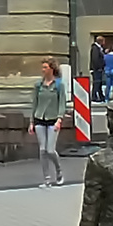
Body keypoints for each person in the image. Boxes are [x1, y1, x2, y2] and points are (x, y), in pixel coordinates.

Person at [30, 60, 68, 188]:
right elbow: (34, 104)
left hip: (53, 119)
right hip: (40, 119)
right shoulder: (38, 85)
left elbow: (62, 103)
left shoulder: (59, 85)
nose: (43, 70)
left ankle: (59, 172)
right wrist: (31, 122)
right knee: (42, 150)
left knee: (50, 150)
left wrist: (59, 119)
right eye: (42, 67)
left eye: (45, 67)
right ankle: (46, 179)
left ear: (52, 69)